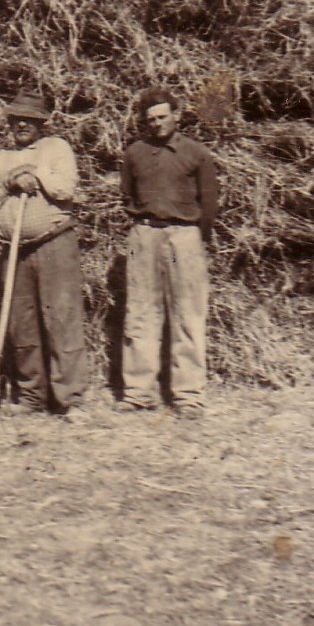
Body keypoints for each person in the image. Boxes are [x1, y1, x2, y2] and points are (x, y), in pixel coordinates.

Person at [0, 91, 87, 420]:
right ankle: (31, 396)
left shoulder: (56, 148)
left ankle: (70, 399)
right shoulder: (2, 158)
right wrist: (9, 182)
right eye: (17, 120)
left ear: (41, 123)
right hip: (14, 251)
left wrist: (35, 172)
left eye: (29, 120)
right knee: (21, 324)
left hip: (53, 244)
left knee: (61, 320)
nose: (22, 125)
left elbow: (65, 190)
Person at [117, 88, 219, 420]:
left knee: (187, 313)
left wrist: (194, 238)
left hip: (183, 237)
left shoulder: (196, 153)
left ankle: (188, 396)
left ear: (177, 116)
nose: (157, 124)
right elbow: (127, 194)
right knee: (140, 312)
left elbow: (209, 202)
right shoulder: (134, 153)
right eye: (150, 120)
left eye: (163, 117)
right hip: (145, 235)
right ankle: (139, 392)